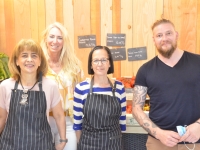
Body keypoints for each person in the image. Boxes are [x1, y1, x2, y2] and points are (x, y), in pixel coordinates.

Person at [132, 18, 200, 150]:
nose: (164, 38)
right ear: (154, 40)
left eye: (168, 33)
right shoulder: (145, 70)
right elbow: (136, 109)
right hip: (159, 143)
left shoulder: (198, 62)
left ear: (176, 35)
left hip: (196, 141)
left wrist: (199, 125)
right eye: (159, 35)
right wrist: (159, 133)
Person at [0, 39, 67, 150]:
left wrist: (63, 140)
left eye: (34, 56)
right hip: (10, 145)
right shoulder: (5, 86)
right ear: (17, 61)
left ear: (40, 61)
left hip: (42, 145)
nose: (29, 60)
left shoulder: (50, 85)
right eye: (24, 55)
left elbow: (59, 116)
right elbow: (2, 117)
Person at [73, 45, 126, 150]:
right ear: (91, 65)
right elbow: (77, 124)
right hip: (88, 145)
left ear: (109, 63)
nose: (100, 64)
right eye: (96, 60)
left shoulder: (119, 87)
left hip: (114, 144)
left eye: (104, 60)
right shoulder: (81, 88)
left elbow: (122, 122)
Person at [40, 22, 83, 150]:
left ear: (64, 41)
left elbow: (80, 96)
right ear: (45, 39)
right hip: (43, 121)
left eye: (59, 38)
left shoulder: (74, 66)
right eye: (51, 36)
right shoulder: (38, 65)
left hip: (68, 121)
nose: (55, 41)